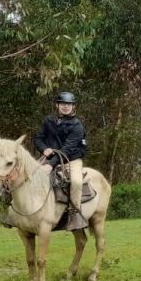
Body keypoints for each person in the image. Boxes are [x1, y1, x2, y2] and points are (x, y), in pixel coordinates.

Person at [32, 91, 88, 230]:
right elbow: (38, 138)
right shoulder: (48, 120)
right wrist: (44, 149)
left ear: (73, 107)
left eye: (69, 104)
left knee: (75, 181)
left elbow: (67, 150)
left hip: (72, 159)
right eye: (63, 103)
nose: (65, 106)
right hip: (50, 157)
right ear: (57, 105)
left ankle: (75, 214)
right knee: (28, 175)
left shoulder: (77, 126)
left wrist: (50, 165)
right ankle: (17, 210)